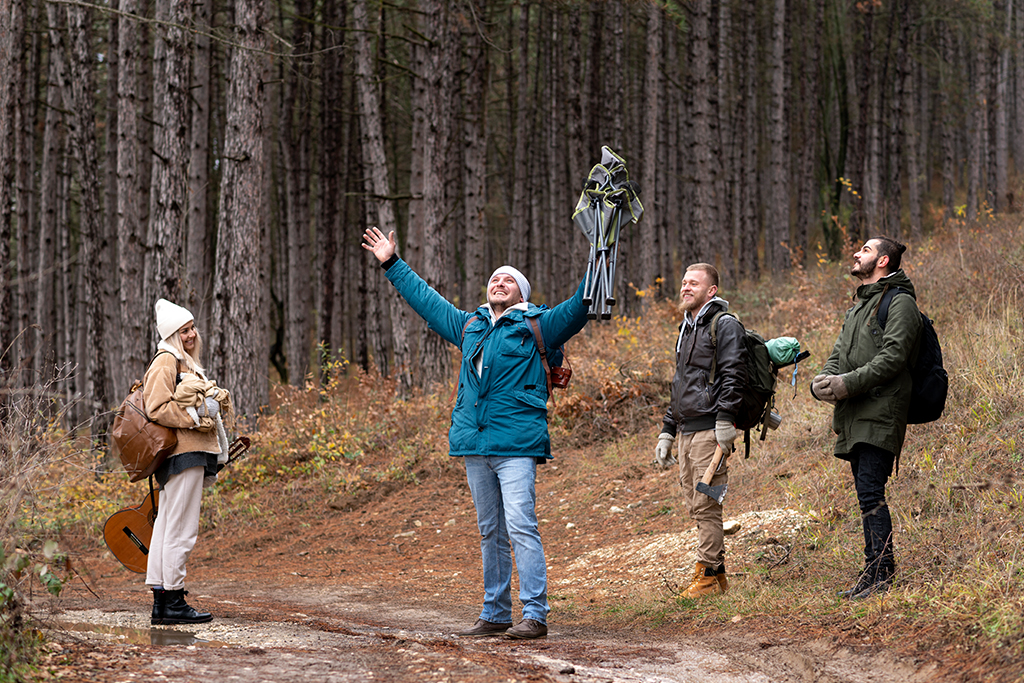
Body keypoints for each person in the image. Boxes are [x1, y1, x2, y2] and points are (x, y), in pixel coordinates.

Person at [362, 226, 589, 640]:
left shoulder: (539, 325)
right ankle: (496, 612)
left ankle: (535, 614)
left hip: (517, 442)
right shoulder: (469, 326)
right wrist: (392, 263)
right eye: (493, 280)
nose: (498, 283)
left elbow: (579, 307)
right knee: (490, 530)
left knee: (520, 523)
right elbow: (426, 302)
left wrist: (600, 256)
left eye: (508, 280)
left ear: (521, 293)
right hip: (475, 443)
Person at [811, 237, 922, 600]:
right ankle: (873, 572)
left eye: (865, 250)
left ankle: (881, 574)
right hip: (855, 411)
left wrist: (847, 384)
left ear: (883, 260)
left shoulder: (900, 302)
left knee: (871, 492)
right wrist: (824, 381)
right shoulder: (859, 306)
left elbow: (893, 358)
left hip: (882, 409)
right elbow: (839, 352)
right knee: (866, 494)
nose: (857, 254)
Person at [654, 263, 746, 599]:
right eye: (683, 282)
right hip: (687, 430)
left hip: (710, 429)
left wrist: (725, 420)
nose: (685, 287)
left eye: (694, 283)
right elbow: (680, 383)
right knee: (695, 504)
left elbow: (734, 376)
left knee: (707, 505)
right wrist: (667, 430)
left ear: (712, 291)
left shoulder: (725, 325)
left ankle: (705, 577)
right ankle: (717, 577)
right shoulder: (686, 327)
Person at [143, 298, 232, 625]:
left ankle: (163, 603)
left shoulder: (179, 360)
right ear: (171, 334)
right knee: (181, 528)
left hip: (184, 454)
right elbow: (156, 407)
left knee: (167, 526)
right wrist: (195, 419)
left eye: (193, 328)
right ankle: (174, 600)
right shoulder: (167, 360)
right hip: (184, 453)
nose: (192, 334)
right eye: (184, 330)